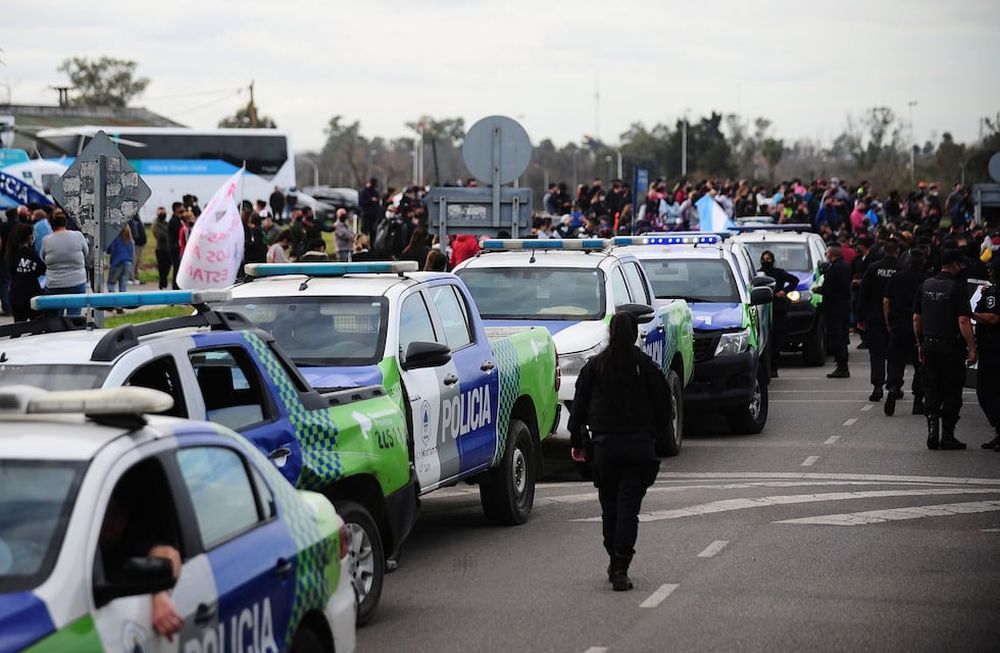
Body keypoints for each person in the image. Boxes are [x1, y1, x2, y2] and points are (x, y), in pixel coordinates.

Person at [568, 311, 667, 592]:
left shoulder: (596, 366)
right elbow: (663, 405)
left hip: (605, 448)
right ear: (635, 334)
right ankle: (621, 564)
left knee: (609, 506)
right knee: (628, 509)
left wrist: (577, 439)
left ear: (610, 333)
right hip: (638, 447)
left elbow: (579, 405)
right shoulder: (645, 366)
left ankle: (614, 556)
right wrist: (657, 439)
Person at [913, 249, 976, 450]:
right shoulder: (957, 288)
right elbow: (964, 320)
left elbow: (916, 318)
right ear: (955, 265)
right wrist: (972, 347)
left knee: (931, 386)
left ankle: (932, 427)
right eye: (960, 264)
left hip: (930, 344)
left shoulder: (925, 285)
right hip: (951, 347)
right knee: (952, 389)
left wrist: (920, 343)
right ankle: (947, 434)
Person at [883, 247, 930, 415]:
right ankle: (918, 400)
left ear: (908, 262)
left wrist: (888, 323)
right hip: (920, 327)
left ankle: (894, 387)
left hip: (899, 324)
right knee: (920, 365)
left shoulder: (897, 277)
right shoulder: (927, 280)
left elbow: (886, 301)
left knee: (896, 360)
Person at [857, 240, 900, 400]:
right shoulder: (901, 269)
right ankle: (895, 385)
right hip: (895, 318)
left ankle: (877, 387)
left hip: (874, 317)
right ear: (897, 251)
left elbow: (864, 293)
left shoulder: (873, 268)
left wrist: (860, 316)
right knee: (895, 354)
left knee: (876, 353)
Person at [758, 250, 799, 378]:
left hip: (778, 309)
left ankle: (774, 368)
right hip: (763, 309)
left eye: (768, 259)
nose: (766, 261)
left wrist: (784, 291)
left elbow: (794, 280)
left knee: (777, 341)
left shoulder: (779, 273)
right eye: (764, 259)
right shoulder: (759, 273)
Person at [973, 259, 1000, 450]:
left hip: (994, 349)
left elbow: (992, 317)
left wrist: (969, 313)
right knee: (987, 391)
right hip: (989, 348)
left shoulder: (995, 293)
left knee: (988, 391)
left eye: (992, 270)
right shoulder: (990, 291)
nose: (989, 273)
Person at [41, 212, 89, 315]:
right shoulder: (78, 236)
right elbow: (86, 252)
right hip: (77, 280)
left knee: (54, 318)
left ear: (51, 224)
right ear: (65, 223)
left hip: (54, 283)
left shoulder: (46, 240)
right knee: (74, 316)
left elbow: (43, 257)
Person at [816, 244, 852, 378]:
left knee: (836, 337)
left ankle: (842, 366)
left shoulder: (833, 269)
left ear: (831, 254)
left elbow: (829, 288)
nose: (826, 255)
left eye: (827, 253)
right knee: (842, 336)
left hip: (834, 308)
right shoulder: (846, 266)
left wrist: (818, 290)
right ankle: (843, 364)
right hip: (844, 306)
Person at [5, 223, 45, 322]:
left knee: (18, 326)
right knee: (37, 326)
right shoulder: (31, 253)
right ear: (29, 237)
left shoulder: (11, 254)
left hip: (16, 294)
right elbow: (42, 268)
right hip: (32, 294)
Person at [106, 225, 134, 307]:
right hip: (128, 263)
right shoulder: (129, 239)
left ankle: (114, 304)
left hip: (117, 262)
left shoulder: (115, 238)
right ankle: (122, 305)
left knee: (111, 283)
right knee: (123, 285)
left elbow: (109, 250)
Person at [151, 207, 171, 290]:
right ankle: (162, 284)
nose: (163, 215)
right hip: (160, 248)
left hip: (167, 248)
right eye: (161, 213)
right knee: (162, 267)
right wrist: (168, 234)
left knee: (168, 266)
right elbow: (160, 235)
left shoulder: (166, 223)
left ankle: (164, 282)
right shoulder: (155, 224)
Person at [167, 202, 184, 289]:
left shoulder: (178, 219)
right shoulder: (174, 221)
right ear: (176, 209)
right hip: (175, 248)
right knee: (176, 269)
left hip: (176, 247)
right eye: (181, 208)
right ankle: (175, 287)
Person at [128, 214, 147, 284]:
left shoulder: (137, 217)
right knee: (133, 261)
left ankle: (136, 277)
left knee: (138, 262)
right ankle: (131, 278)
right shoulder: (130, 219)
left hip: (140, 243)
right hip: (135, 242)